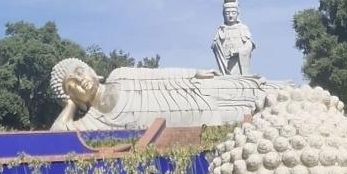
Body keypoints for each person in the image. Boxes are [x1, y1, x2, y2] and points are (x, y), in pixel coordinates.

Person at [49, 57, 275, 132]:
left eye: (79, 72)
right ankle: (274, 113)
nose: (81, 81)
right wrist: (70, 105)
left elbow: (155, 75)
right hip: (181, 120)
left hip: (180, 92)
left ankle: (278, 92)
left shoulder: (120, 75)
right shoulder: (93, 121)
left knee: (237, 89)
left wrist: (192, 73)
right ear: (73, 98)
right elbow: (56, 133)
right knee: (237, 115)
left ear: (90, 69)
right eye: (73, 86)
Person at [211, 0, 255, 75]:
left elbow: (250, 45)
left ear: (237, 14)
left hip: (238, 64)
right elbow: (215, 46)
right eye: (227, 13)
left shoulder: (242, 28)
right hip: (226, 64)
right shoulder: (221, 29)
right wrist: (220, 37)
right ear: (223, 14)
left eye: (233, 13)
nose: (230, 15)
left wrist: (239, 51)